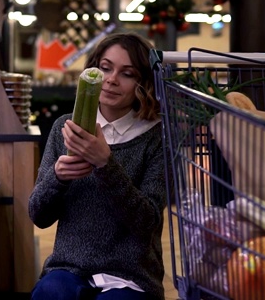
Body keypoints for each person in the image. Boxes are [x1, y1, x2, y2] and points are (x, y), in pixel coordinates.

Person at [29, 32, 167, 300]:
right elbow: (39, 215)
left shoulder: (156, 137)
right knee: (50, 293)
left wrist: (105, 163)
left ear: (144, 83)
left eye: (127, 73)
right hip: (69, 268)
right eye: (105, 68)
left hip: (131, 276)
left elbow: (146, 223)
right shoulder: (64, 129)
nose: (112, 80)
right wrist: (57, 177)